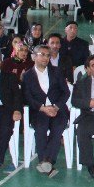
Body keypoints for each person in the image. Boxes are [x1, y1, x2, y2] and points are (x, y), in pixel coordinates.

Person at [22, 45, 70, 177]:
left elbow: (65, 92)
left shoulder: (57, 71)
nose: (45, 58)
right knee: (41, 128)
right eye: (42, 54)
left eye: (48, 55)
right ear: (34, 56)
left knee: (58, 126)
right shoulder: (27, 75)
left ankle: (45, 161)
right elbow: (27, 97)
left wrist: (55, 107)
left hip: (57, 109)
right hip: (39, 110)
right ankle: (47, 163)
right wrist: (43, 108)